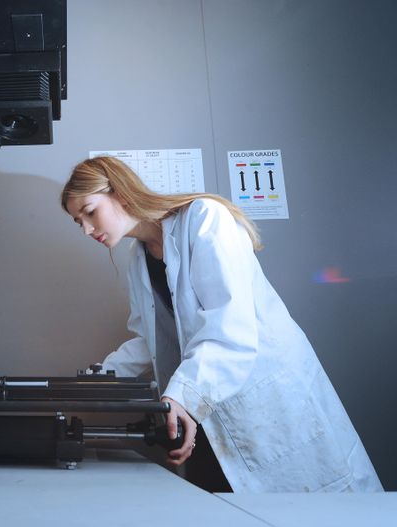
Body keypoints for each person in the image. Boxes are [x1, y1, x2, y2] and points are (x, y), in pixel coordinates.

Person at [61, 156, 383, 493]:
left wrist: (183, 396)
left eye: (89, 211)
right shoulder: (138, 258)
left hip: (264, 399)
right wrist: (99, 379)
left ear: (122, 194)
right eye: (77, 221)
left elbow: (230, 327)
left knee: (313, 511)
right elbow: (150, 340)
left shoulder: (204, 219)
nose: (85, 228)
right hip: (206, 408)